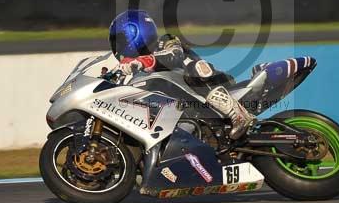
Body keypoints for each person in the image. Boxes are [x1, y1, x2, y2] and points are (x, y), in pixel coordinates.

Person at [108, 9, 255, 140]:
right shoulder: (132, 70)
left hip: (213, 84)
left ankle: (237, 113)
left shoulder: (166, 41)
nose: (118, 47)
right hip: (180, 109)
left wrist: (143, 61)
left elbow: (175, 55)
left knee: (195, 66)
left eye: (120, 40)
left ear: (136, 32)